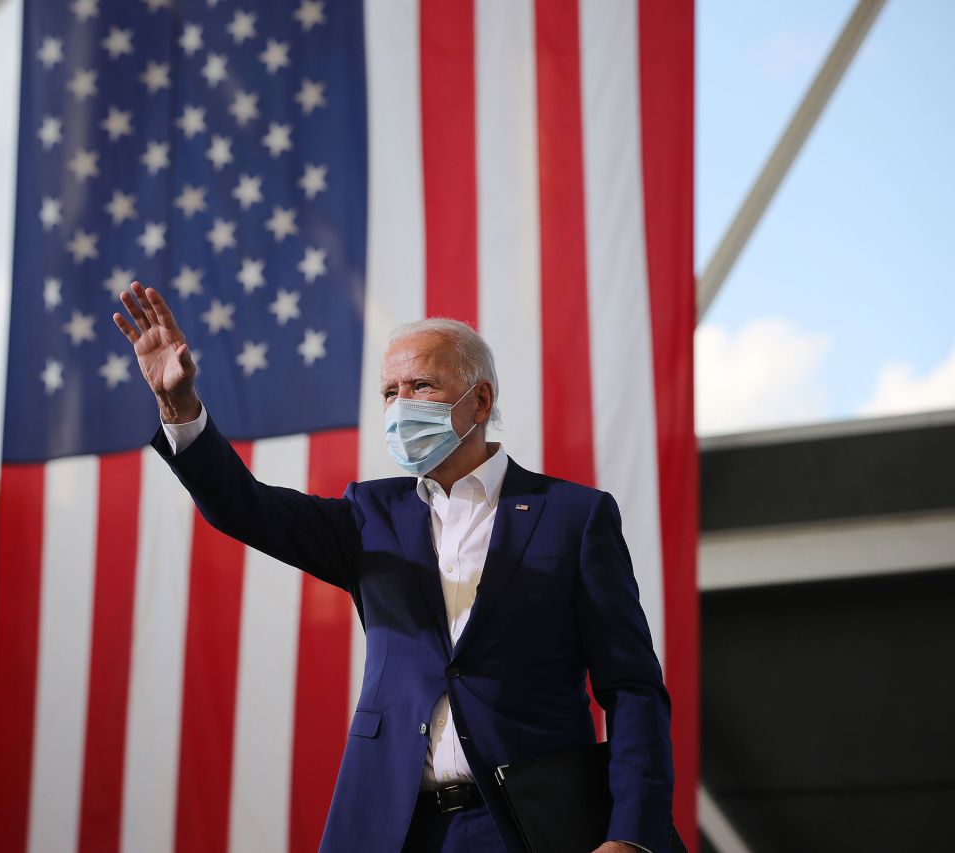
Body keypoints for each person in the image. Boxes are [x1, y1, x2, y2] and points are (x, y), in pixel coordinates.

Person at [113, 282, 673, 853]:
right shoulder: (370, 515)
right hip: (393, 824)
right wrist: (179, 407)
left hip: (528, 824)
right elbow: (244, 507)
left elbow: (632, 690)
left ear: (479, 403)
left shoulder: (574, 517)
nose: (400, 406)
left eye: (420, 386)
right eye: (389, 392)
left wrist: (631, 835)